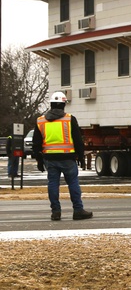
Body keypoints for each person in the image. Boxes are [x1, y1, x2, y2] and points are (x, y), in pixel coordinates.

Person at [31, 92, 93, 221]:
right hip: (68, 158)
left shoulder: (40, 121)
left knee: (53, 184)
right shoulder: (69, 119)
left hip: (50, 159)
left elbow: (36, 143)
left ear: (51, 104)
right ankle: (78, 210)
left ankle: (56, 212)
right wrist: (81, 156)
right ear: (63, 105)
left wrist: (39, 160)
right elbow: (77, 140)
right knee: (73, 183)